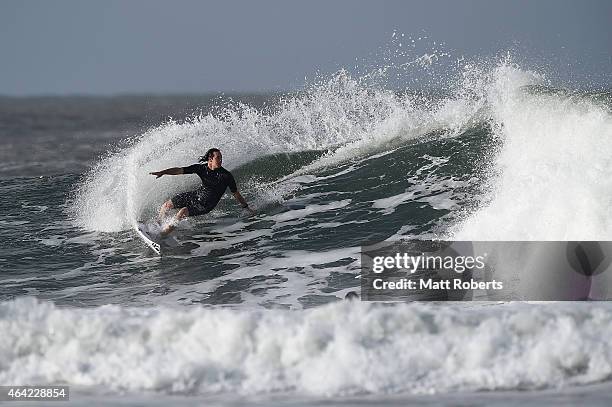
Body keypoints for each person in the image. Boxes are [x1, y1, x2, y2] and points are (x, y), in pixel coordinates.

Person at [150, 148, 255, 235]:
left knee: (183, 211)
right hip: (196, 195)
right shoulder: (201, 169)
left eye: (221, 158)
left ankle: (162, 234)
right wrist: (163, 172)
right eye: (218, 158)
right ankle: (157, 225)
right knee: (167, 205)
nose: (221, 160)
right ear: (210, 159)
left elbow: (236, 194)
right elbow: (179, 170)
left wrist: (246, 207)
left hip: (206, 204)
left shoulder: (226, 176)